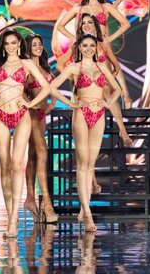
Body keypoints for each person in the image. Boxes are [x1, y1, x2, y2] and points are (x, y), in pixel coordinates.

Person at [0, 29, 50, 237]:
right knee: (5, 166)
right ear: (3, 46)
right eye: (7, 43)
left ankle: (13, 218)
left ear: (19, 44)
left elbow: (46, 88)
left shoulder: (27, 64)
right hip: (0, 115)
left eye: (13, 43)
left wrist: (31, 104)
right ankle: (11, 216)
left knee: (18, 164)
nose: (10, 46)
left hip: (21, 115)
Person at [50, 34, 122, 232]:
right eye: (85, 46)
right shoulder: (74, 68)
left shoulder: (102, 67)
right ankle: (88, 214)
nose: (89, 49)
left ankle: (84, 208)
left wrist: (107, 103)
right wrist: (71, 103)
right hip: (81, 114)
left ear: (96, 48)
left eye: (92, 45)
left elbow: (117, 90)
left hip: (98, 114)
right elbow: (52, 88)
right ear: (79, 48)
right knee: (82, 164)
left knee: (90, 164)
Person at [57, 13, 132, 145]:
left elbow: (116, 66)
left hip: (103, 84)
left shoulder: (103, 44)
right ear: (80, 27)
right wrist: (73, 77)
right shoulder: (77, 45)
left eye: (90, 22)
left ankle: (122, 130)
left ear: (95, 26)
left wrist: (110, 77)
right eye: (83, 23)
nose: (86, 25)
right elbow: (60, 65)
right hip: (85, 86)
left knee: (107, 89)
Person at [24, 34, 59, 223]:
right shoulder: (27, 67)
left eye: (39, 44)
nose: (38, 47)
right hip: (31, 114)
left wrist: (52, 101)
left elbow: (50, 87)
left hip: (42, 114)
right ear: (28, 48)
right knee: (42, 152)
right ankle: (46, 202)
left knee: (33, 155)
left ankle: (30, 198)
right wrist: (30, 103)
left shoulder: (44, 67)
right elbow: (20, 89)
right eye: (34, 45)